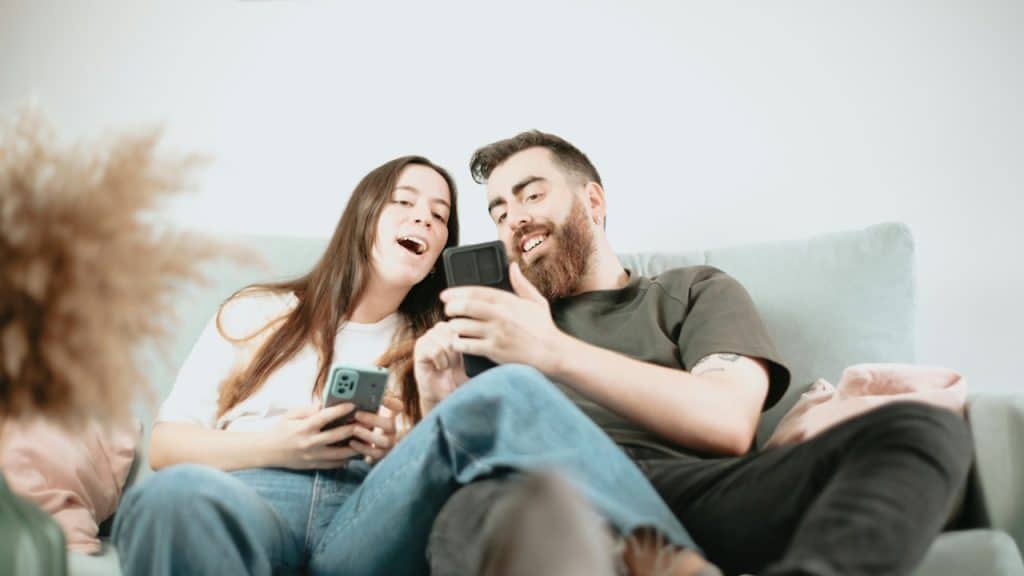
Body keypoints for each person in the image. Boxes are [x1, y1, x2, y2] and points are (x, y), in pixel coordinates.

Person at [113, 155, 697, 576]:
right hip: (250, 502)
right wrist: (278, 445)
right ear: (364, 214)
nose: (425, 220)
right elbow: (166, 445)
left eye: (440, 216)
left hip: (367, 517)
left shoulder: (441, 338)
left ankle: (675, 560)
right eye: (405, 202)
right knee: (168, 498)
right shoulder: (257, 311)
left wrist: (401, 443)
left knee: (507, 390)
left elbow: (452, 467)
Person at [425, 131, 974, 576]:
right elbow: (469, 461)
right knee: (471, 514)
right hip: (547, 497)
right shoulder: (497, 325)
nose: (513, 218)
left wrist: (553, 351)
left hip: (692, 492)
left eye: (531, 194)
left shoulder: (692, 291)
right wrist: (440, 395)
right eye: (498, 212)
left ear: (593, 201)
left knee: (921, 428)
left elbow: (728, 422)